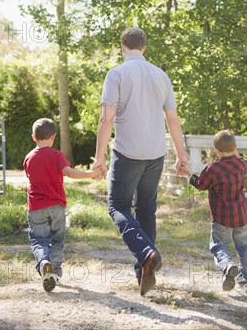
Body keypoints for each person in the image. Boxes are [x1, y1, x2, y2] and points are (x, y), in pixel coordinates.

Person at [91, 27, 189, 296]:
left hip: (127, 154)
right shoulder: (161, 75)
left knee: (118, 206)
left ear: (123, 47)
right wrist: (182, 157)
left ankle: (147, 254)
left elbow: (106, 119)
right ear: (144, 47)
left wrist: (99, 158)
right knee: (146, 210)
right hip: (156, 154)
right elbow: (173, 120)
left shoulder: (116, 74)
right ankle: (143, 271)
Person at [24, 118, 102, 292]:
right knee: (57, 241)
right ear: (53, 137)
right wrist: (90, 174)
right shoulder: (57, 155)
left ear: (33, 137)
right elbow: (69, 173)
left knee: (39, 240)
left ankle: (44, 262)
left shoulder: (28, 157)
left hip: (36, 207)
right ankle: (56, 272)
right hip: (57, 207)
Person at [181, 129, 247, 295]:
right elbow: (245, 164)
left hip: (222, 217)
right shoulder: (242, 165)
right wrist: (235, 151)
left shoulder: (213, 169)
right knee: (244, 249)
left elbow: (200, 185)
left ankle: (228, 265)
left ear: (216, 150)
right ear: (235, 148)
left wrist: (190, 174)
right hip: (242, 216)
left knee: (218, 246)